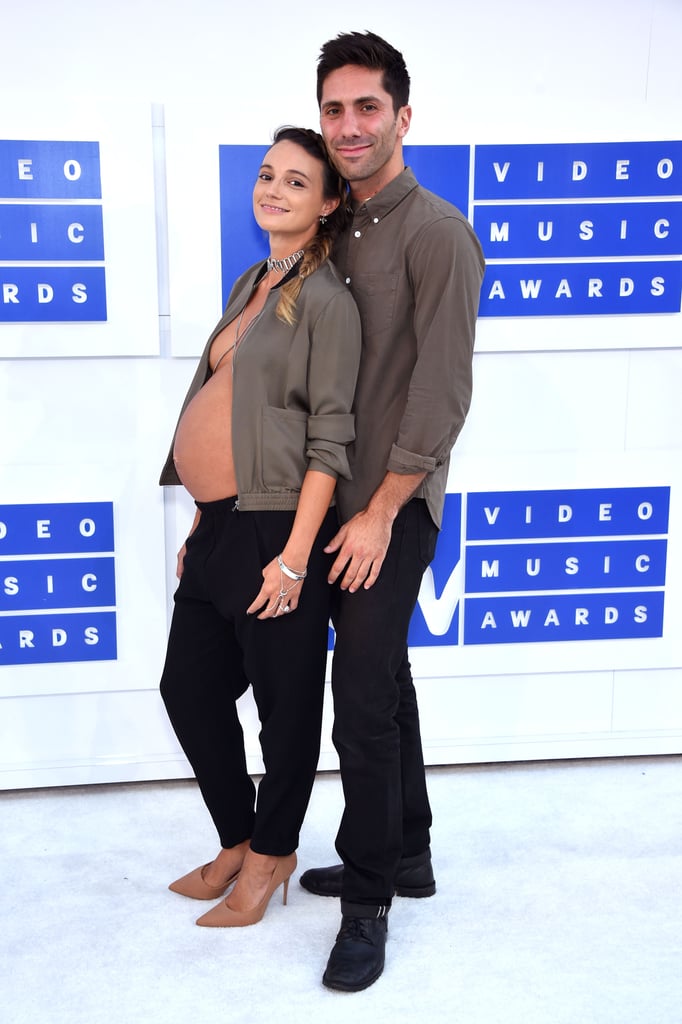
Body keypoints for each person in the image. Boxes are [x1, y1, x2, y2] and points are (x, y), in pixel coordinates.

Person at [298, 32, 485, 990]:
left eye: (367, 107)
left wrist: (378, 514)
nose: (349, 125)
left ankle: (368, 900)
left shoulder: (438, 232)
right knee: (386, 682)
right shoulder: (333, 227)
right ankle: (406, 851)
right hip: (324, 499)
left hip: (391, 506)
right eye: (334, 109)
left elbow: (443, 393)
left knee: (361, 703)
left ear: (403, 117)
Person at [158, 126, 361, 928]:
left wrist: (294, 559)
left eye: (298, 182)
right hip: (218, 527)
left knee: (285, 712)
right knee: (187, 689)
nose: (274, 189)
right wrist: (201, 518)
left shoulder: (329, 301)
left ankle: (274, 852)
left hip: (276, 530)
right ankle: (239, 839)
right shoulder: (252, 279)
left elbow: (329, 439)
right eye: (268, 175)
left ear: (328, 203)